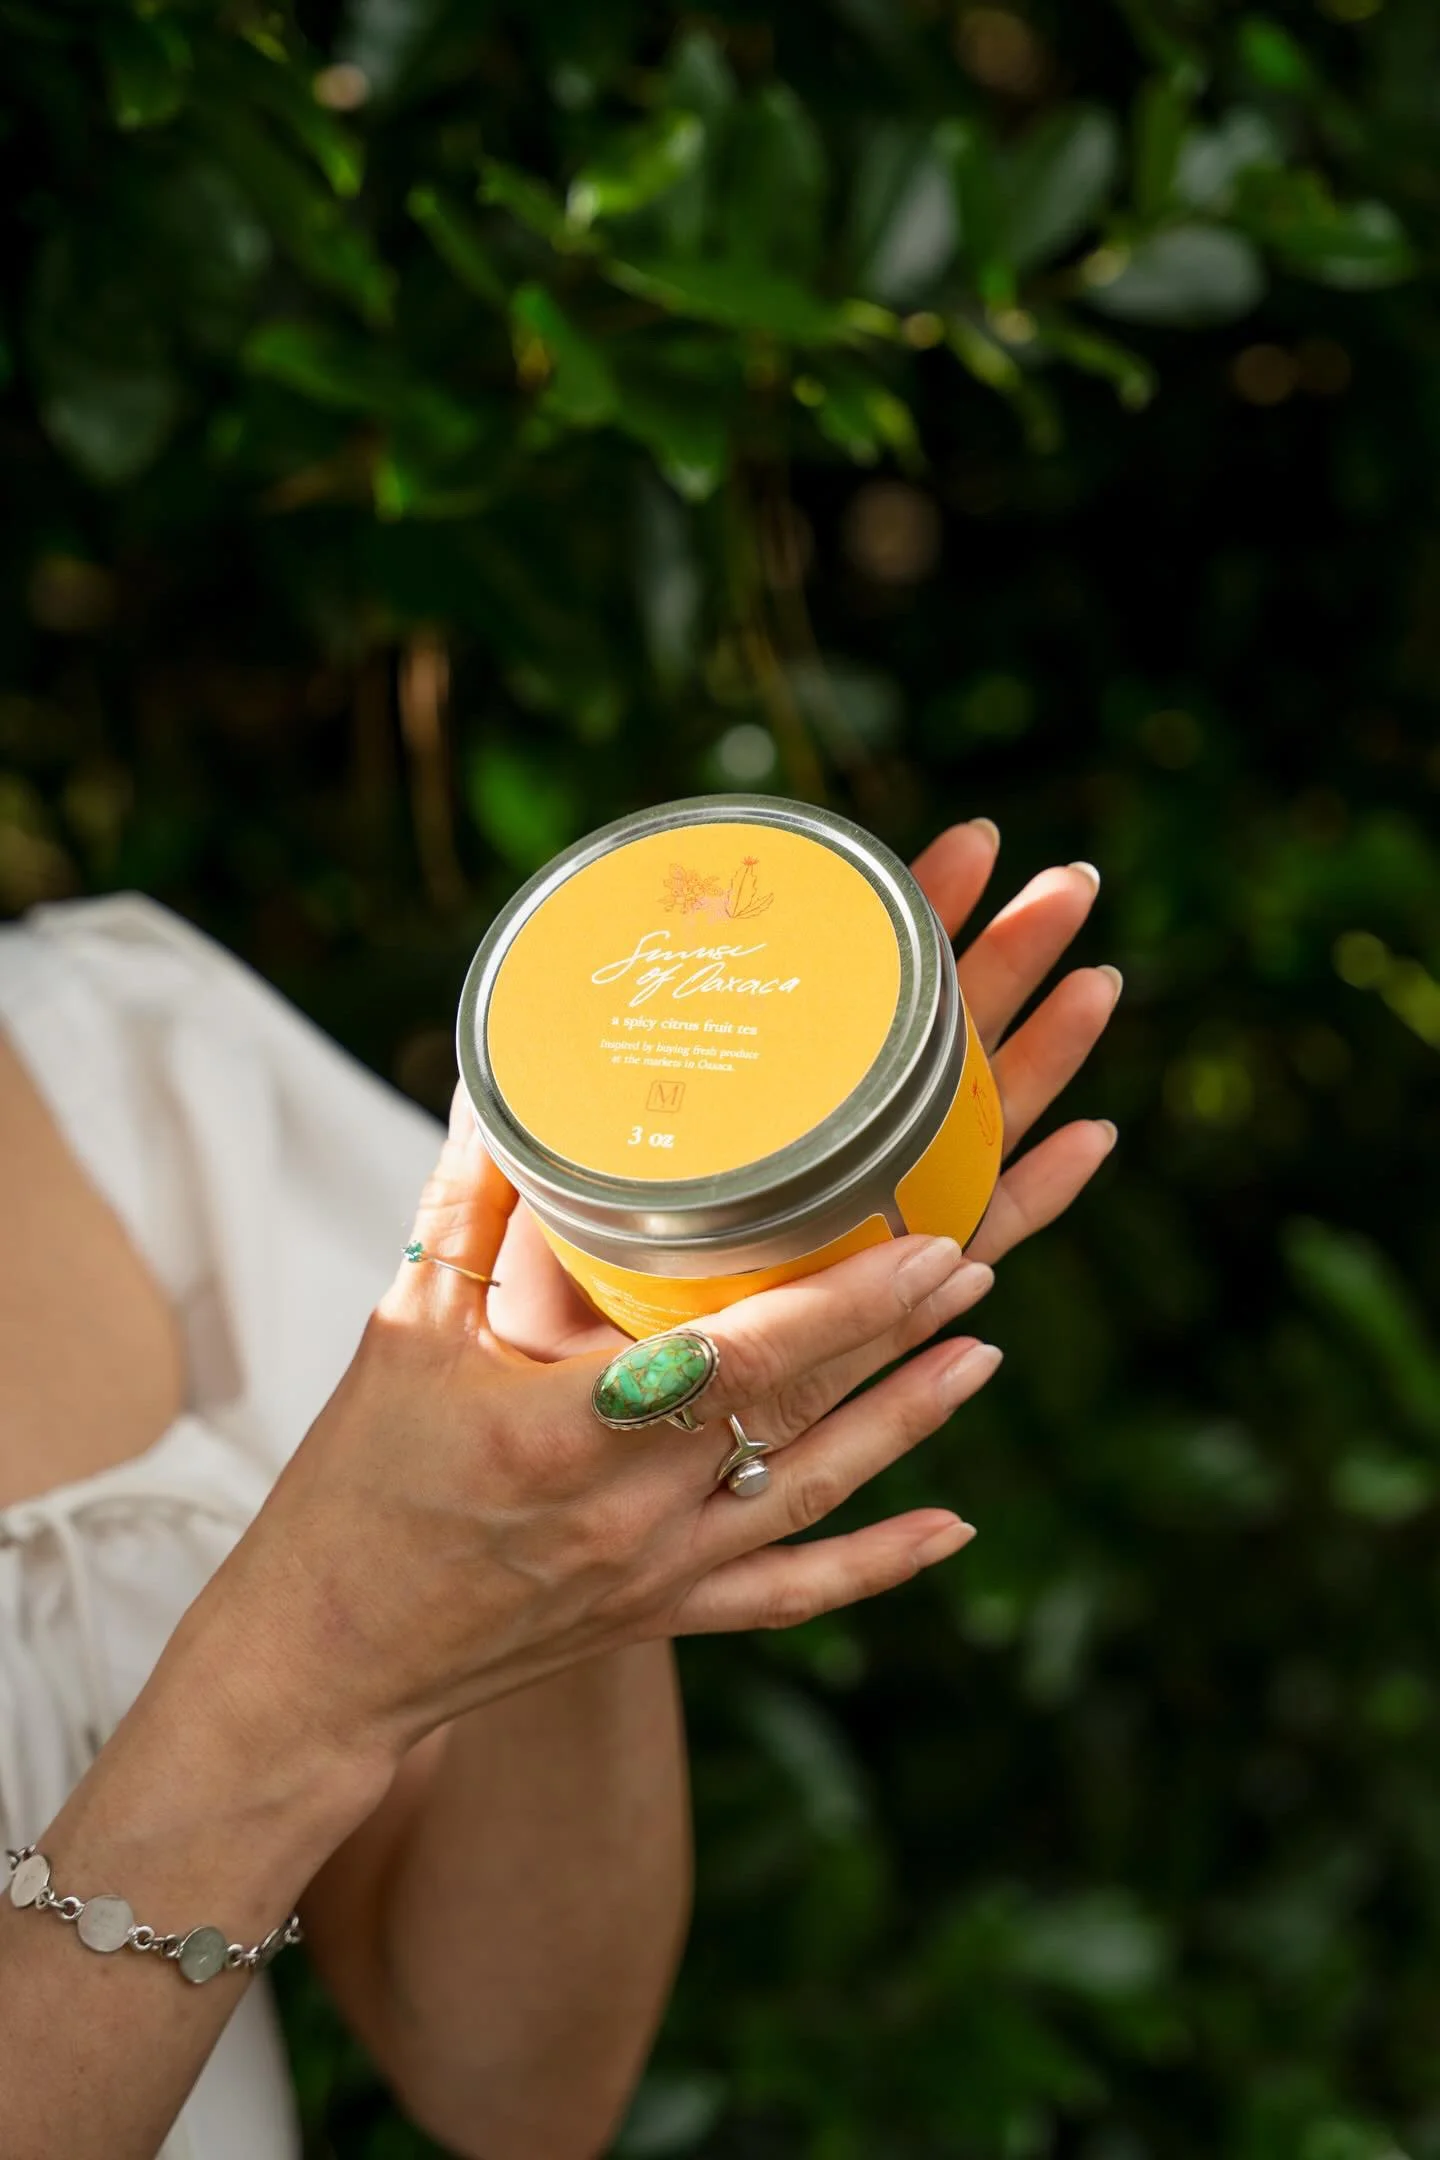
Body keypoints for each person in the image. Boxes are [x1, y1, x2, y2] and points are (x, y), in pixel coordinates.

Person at [0, 818, 1119, 2160]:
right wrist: (301, 1680)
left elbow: (521, 2097)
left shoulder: (108, 1052)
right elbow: (314, 1665)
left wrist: (577, 1503)